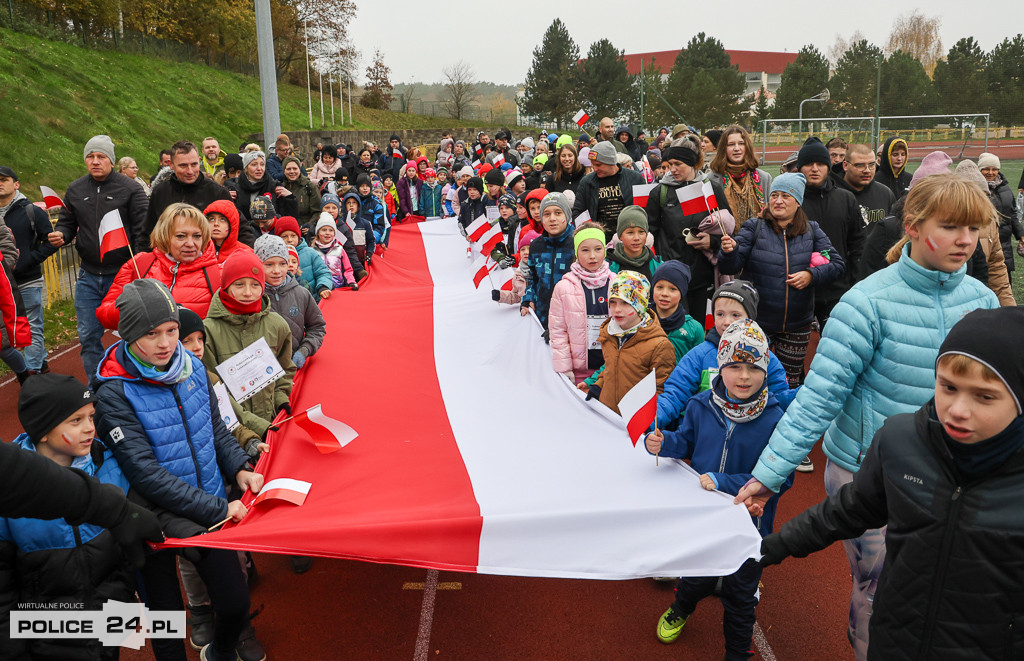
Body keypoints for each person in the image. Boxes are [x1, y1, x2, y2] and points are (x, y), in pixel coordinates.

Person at [733, 173, 1000, 660]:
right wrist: (769, 476)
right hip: (867, 475)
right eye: (953, 226)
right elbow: (818, 398)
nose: (966, 240)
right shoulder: (865, 304)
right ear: (914, 226)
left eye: (975, 229)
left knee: (941, 589)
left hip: (954, 478)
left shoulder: (982, 303)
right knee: (879, 591)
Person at [760, 307, 1024, 660]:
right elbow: (851, 508)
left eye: (985, 396)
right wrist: (772, 546)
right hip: (895, 640)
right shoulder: (901, 441)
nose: (958, 409)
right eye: (948, 387)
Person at [92, 279, 262, 661]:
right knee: (166, 627)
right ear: (129, 334)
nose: (166, 343)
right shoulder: (113, 392)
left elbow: (214, 426)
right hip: (152, 520)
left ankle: (218, 652)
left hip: (207, 508)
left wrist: (238, 468)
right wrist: (219, 509)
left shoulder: (194, 367)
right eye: (151, 334)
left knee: (234, 604)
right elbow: (144, 472)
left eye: (171, 331)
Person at [645, 319, 790, 660]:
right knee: (697, 576)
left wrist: (723, 481)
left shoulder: (775, 419)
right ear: (720, 367)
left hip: (749, 526)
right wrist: (665, 443)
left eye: (754, 368)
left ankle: (737, 654)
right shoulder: (700, 405)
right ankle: (681, 606)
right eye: (734, 366)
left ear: (766, 370)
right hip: (705, 519)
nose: (743, 377)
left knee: (741, 596)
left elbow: (780, 478)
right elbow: (687, 442)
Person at [1, 374, 136, 661]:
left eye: (91, 416)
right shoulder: (9, 495)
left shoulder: (110, 464)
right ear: (43, 431)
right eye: (76, 421)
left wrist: (123, 598)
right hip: (47, 636)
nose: (90, 428)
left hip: (109, 618)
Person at [719, 173, 846, 386]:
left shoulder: (812, 230)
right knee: (754, 376)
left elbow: (837, 264)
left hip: (798, 324)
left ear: (798, 202)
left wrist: (811, 275)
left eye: (786, 196)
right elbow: (730, 266)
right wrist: (729, 252)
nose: (778, 201)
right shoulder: (754, 227)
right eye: (774, 195)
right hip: (758, 322)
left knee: (789, 381)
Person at [50, 135, 149, 379]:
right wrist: (61, 235)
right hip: (89, 275)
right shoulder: (75, 189)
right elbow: (67, 223)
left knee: (132, 332)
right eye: (90, 157)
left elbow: (142, 230)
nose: (95, 162)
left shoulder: (130, 188)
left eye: (101, 157)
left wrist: (138, 265)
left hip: (123, 274)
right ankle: (98, 386)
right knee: (87, 335)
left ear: (112, 161)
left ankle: (133, 380)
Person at [656, 280, 794, 430]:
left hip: (748, 437)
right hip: (702, 436)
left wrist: (803, 395)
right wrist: (651, 421)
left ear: (751, 318)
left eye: (735, 315)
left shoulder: (767, 358)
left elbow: (779, 400)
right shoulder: (699, 355)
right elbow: (674, 395)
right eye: (720, 314)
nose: (727, 322)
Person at [202, 251, 295, 443]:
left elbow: (285, 369)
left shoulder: (277, 325)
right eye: (239, 284)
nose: (247, 292)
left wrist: (280, 398)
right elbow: (215, 391)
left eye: (255, 285)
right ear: (226, 286)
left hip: (272, 421)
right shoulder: (207, 331)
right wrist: (254, 425)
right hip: (232, 433)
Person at [97, 202, 222, 328]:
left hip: (196, 348)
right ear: (164, 236)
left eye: (197, 236)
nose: (190, 243)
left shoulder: (218, 273)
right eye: (181, 236)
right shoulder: (139, 264)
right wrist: (133, 307)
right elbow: (104, 315)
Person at [646, 139, 730, 319]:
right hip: (670, 278)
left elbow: (728, 230)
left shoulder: (710, 189)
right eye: (669, 165)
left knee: (699, 331)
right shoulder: (659, 192)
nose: (672, 169)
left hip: (702, 278)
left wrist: (712, 242)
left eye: (678, 164)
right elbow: (650, 233)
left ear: (692, 163)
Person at [582, 271, 675, 413]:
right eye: (613, 302)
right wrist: (597, 386)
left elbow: (661, 391)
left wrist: (645, 422)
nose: (617, 310)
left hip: (635, 423)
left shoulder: (660, 345)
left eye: (626, 303)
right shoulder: (610, 333)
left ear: (640, 305)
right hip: (609, 417)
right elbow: (611, 368)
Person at [796, 137, 863, 327]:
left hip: (837, 290)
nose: (815, 169)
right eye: (809, 164)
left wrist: (852, 281)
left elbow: (857, 242)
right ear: (800, 167)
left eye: (820, 164)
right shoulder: (791, 201)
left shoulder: (846, 198)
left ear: (828, 167)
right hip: (801, 289)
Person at [0, 166, 57, 376]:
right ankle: (40, 362)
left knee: (32, 324)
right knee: (7, 329)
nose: (0, 183)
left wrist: (29, 260)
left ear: (16, 184)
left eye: (4, 179)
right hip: (2, 284)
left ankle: (33, 373)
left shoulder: (31, 211)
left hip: (27, 279)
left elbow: (50, 242)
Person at [145, 140, 241, 249]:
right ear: (171, 164)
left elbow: (239, 227)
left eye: (194, 164)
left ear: (199, 161)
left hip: (210, 260)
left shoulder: (217, 192)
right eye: (183, 166)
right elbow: (148, 232)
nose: (190, 171)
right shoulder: (160, 192)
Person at [549, 222, 613, 383]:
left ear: (605, 250)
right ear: (576, 252)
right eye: (585, 250)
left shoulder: (617, 283)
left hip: (611, 367)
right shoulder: (563, 288)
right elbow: (558, 331)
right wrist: (564, 368)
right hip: (579, 372)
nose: (592, 255)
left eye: (598, 249)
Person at [255, 234, 325, 371]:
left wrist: (304, 351)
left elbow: (317, 328)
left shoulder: (302, 294)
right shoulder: (252, 297)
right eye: (269, 264)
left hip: (294, 369)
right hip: (262, 372)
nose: (276, 271)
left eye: (282, 264)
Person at [954, 159, 1016, 306]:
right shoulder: (944, 225)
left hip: (979, 302)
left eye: (982, 196)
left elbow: (997, 268)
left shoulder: (989, 221)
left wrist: (1008, 308)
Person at [520, 192, 576, 330]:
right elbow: (532, 279)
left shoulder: (578, 244)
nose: (552, 218)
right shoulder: (536, 245)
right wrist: (528, 298)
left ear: (567, 216)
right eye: (546, 214)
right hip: (543, 316)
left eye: (558, 213)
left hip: (571, 319)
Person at [572, 142, 646, 241]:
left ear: (611, 162)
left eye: (598, 165)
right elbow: (578, 212)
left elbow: (644, 210)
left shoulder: (635, 178)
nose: (595, 168)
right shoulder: (586, 182)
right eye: (593, 165)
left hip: (630, 239)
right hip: (599, 239)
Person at [708, 125, 772, 233]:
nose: (737, 148)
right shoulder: (712, 179)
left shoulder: (764, 178)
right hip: (725, 243)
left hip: (757, 240)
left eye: (741, 143)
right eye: (731, 144)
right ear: (723, 148)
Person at [233, 150, 297, 237]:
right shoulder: (236, 187)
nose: (259, 168)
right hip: (244, 234)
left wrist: (290, 198)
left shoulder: (274, 186)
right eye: (254, 164)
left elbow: (288, 218)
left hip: (272, 235)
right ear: (246, 168)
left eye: (262, 164)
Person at [650, 261, 704, 363]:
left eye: (673, 289)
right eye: (660, 287)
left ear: (682, 292)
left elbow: (697, 365)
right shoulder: (641, 321)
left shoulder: (694, 329)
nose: (665, 293)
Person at [978, 152, 1023, 275]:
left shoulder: (1005, 188)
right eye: (986, 169)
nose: (990, 172)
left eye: (994, 169)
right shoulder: (974, 189)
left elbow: (1012, 214)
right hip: (983, 243)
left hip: (1004, 244)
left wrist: (1020, 234)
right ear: (979, 170)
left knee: (1004, 281)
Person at [833, 143, 896, 228]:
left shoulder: (885, 194)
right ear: (845, 165)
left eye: (871, 165)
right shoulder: (832, 194)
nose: (867, 170)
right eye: (860, 165)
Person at [275, 215, 334, 298]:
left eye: (293, 235)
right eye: (284, 236)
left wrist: (323, 287)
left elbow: (323, 273)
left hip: (312, 300)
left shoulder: (310, 253)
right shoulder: (275, 257)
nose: (289, 239)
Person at [607, 205, 662, 280]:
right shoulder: (607, 267)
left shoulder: (657, 266)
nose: (636, 238)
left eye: (641, 232)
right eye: (630, 232)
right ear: (620, 236)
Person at [311, 214, 355, 288]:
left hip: (338, 288)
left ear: (334, 233)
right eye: (324, 230)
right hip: (320, 289)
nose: (327, 233)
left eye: (331, 230)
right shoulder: (312, 251)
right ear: (318, 232)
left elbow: (348, 269)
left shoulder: (340, 250)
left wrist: (351, 282)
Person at [280, 155, 321, 227]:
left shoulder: (310, 187)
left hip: (305, 229)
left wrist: (309, 225)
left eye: (295, 168)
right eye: (288, 169)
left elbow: (317, 211)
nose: (292, 171)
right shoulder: (281, 188)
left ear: (299, 169)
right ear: (284, 170)